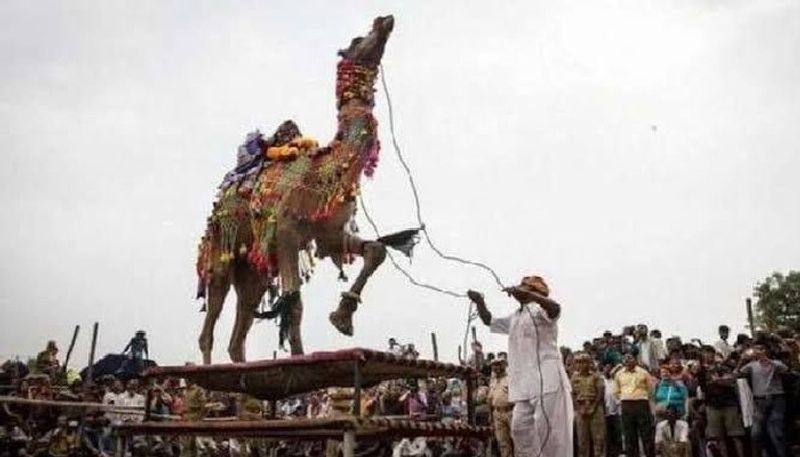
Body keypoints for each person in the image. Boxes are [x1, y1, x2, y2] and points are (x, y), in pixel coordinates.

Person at [468, 274, 573, 457]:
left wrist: (530, 296)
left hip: (547, 382)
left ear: (534, 292)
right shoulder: (516, 316)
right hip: (524, 385)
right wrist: (479, 301)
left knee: (551, 435)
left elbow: (555, 308)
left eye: (524, 286)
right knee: (519, 429)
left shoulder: (540, 309)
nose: (518, 288)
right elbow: (489, 321)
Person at [737, 344, 788, 457]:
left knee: (776, 432)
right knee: (756, 433)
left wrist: (768, 361)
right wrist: (742, 359)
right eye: (757, 349)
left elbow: (785, 369)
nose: (760, 351)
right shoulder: (752, 365)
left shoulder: (775, 363)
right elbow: (737, 373)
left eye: (762, 349)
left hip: (776, 399)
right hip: (760, 401)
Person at [614, 352, 655, 457]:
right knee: (629, 435)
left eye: (630, 358)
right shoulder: (619, 374)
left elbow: (651, 389)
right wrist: (625, 398)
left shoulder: (644, 373)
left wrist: (641, 397)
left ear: (635, 360)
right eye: (625, 358)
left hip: (641, 404)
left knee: (646, 434)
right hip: (626, 405)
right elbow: (616, 391)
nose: (627, 360)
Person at [570, 353, 605, 457]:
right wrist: (579, 408)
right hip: (580, 408)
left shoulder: (596, 376)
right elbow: (572, 394)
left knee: (599, 439)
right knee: (582, 440)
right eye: (579, 362)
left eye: (584, 361)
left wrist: (593, 407)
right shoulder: (574, 377)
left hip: (595, 407)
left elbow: (600, 393)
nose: (581, 364)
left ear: (589, 363)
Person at [487, 354, 513, 457]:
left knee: (516, 439)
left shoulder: (510, 379)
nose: (495, 367)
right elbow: (490, 399)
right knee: (502, 442)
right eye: (493, 365)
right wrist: (490, 415)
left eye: (498, 365)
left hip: (510, 411)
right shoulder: (492, 381)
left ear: (503, 366)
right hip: (497, 412)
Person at [603, 363, 623, 457]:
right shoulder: (601, 381)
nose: (608, 370)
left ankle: (618, 453)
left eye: (609, 369)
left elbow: (617, 396)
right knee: (607, 435)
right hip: (604, 413)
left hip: (615, 412)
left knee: (617, 434)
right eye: (606, 368)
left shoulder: (615, 381)